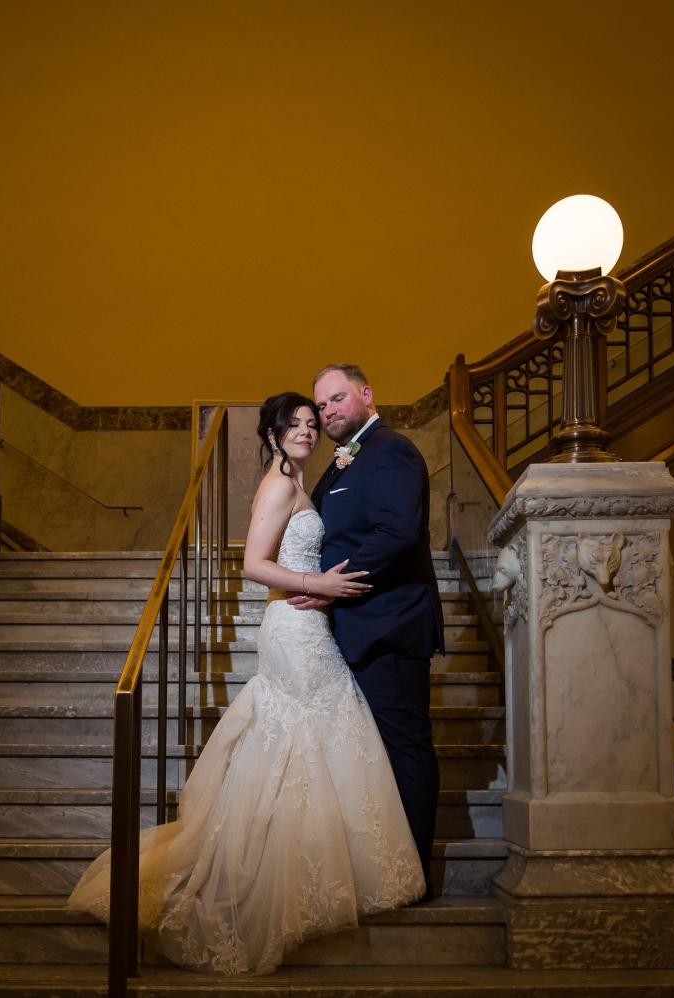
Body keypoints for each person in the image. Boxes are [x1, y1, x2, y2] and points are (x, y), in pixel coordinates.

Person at [66, 391, 424, 975]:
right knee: (301, 735)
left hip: (309, 623)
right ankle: (273, 880)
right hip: (293, 626)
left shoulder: (302, 483)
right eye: (296, 425)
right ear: (272, 434)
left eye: (313, 423)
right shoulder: (280, 484)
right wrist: (322, 584)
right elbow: (253, 564)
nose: (307, 431)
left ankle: (311, 872)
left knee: (321, 733)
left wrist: (323, 589)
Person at [296, 363, 444, 899]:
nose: (330, 410)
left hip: (390, 626)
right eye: (323, 405)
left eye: (338, 399)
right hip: (356, 629)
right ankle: (387, 867)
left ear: (366, 394)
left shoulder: (390, 449)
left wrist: (335, 585)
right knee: (375, 753)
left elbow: (397, 532)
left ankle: (416, 879)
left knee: (405, 749)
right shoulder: (345, 461)